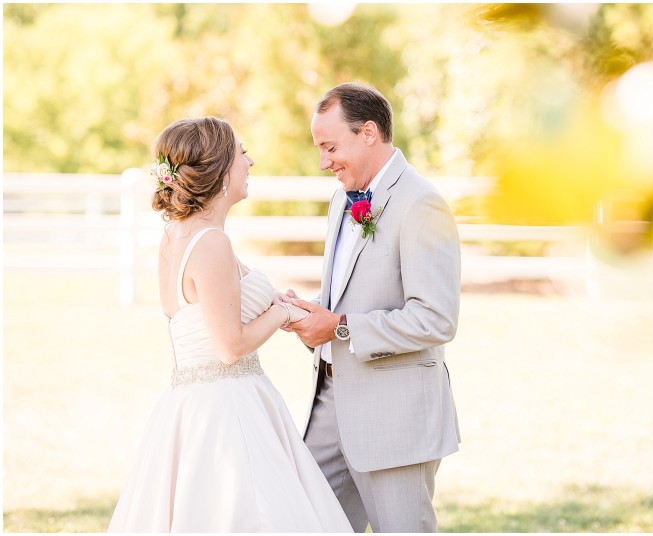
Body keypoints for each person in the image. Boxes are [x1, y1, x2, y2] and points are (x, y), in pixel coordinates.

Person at [108, 117, 352, 532]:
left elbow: (212, 317)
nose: (250, 161)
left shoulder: (178, 235)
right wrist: (284, 314)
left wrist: (277, 303)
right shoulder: (210, 242)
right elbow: (228, 347)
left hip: (193, 402)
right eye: (242, 153)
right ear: (221, 168)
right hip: (227, 408)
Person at [282, 82, 461, 533]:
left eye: (329, 147)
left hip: (392, 417)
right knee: (304, 522)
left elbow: (435, 318)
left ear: (368, 132)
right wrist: (311, 316)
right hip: (327, 407)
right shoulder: (341, 200)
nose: (324, 162)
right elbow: (347, 296)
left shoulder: (422, 203)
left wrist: (340, 328)